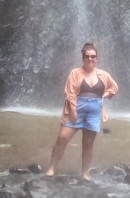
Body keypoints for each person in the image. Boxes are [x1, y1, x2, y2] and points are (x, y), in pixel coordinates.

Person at [44, 42, 118, 180]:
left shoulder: (103, 75)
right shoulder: (75, 73)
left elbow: (114, 88)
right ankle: (52, 167)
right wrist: (72, 110)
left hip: (94, 111)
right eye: (87, 56)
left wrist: (104, 96)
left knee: (88, 144)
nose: (90, 59)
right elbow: (70, 93)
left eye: (93, 56)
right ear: (83, 57)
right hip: (77, 107)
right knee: (62, 138)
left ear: (97, 58)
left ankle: (85, 173)